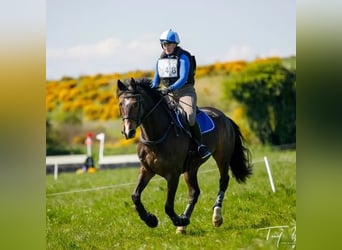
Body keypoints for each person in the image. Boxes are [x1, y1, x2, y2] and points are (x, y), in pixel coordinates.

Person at [150, 28, 211, 159]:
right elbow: (155, 81)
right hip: (168, 93)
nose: (166, 47)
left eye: (169, 44)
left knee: (189, 116)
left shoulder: (183, 56)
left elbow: (183, 78)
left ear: (175, 44)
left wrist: (169, 88)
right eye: (164, 44)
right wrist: (150, 89)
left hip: (185, 91)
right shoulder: (160, 60)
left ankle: (200, 145)